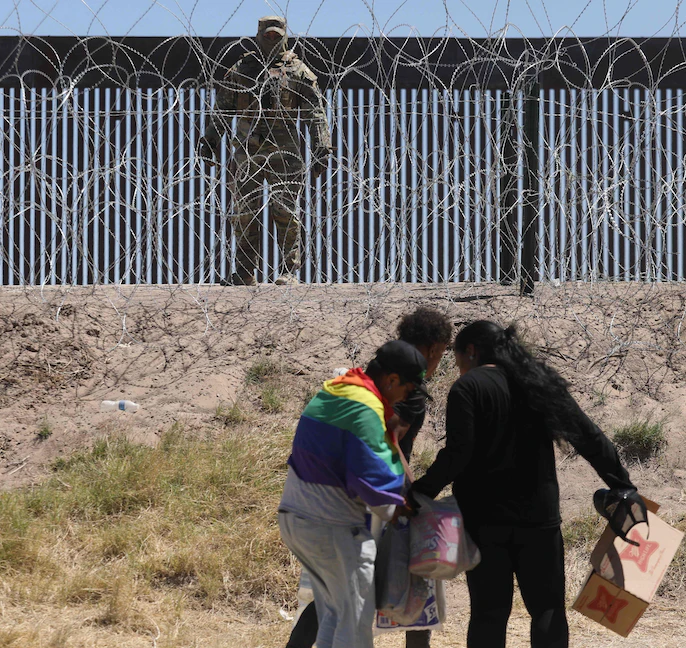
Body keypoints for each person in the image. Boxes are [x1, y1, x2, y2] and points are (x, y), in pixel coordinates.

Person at [409, 320, 639, 648]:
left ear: (471, 352)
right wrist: (622, 484)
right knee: (547, 609)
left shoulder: (469, 387)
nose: (459, 370)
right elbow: (587, 435)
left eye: (459, 361)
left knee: (489, 612)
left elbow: (458, 454)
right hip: (538, 518)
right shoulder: (537, 382)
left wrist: (419, 493)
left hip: (484, 521)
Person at [285, 307, 453, 648]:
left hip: (303, 514)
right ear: (393, 381)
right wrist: (401, 502)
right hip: (340, 522)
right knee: (358, 617)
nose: (405, 398)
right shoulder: (371, 405)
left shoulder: (342, 388)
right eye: (405, 390)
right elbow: (377, 465)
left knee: (333, 609)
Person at [199, 16, 332, 286]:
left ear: (284, 36)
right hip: (247, 149)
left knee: (285, 211)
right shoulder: (242, 69)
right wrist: (210, 142)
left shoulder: (297, 71)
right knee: (244, 212)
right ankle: (245, 272)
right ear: (259, 35)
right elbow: (223, 109)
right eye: (267, 36)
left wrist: (321, 148)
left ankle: (288, 271)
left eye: (276, 36)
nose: (271, 40)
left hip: (285, 151)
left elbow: (315, 113)